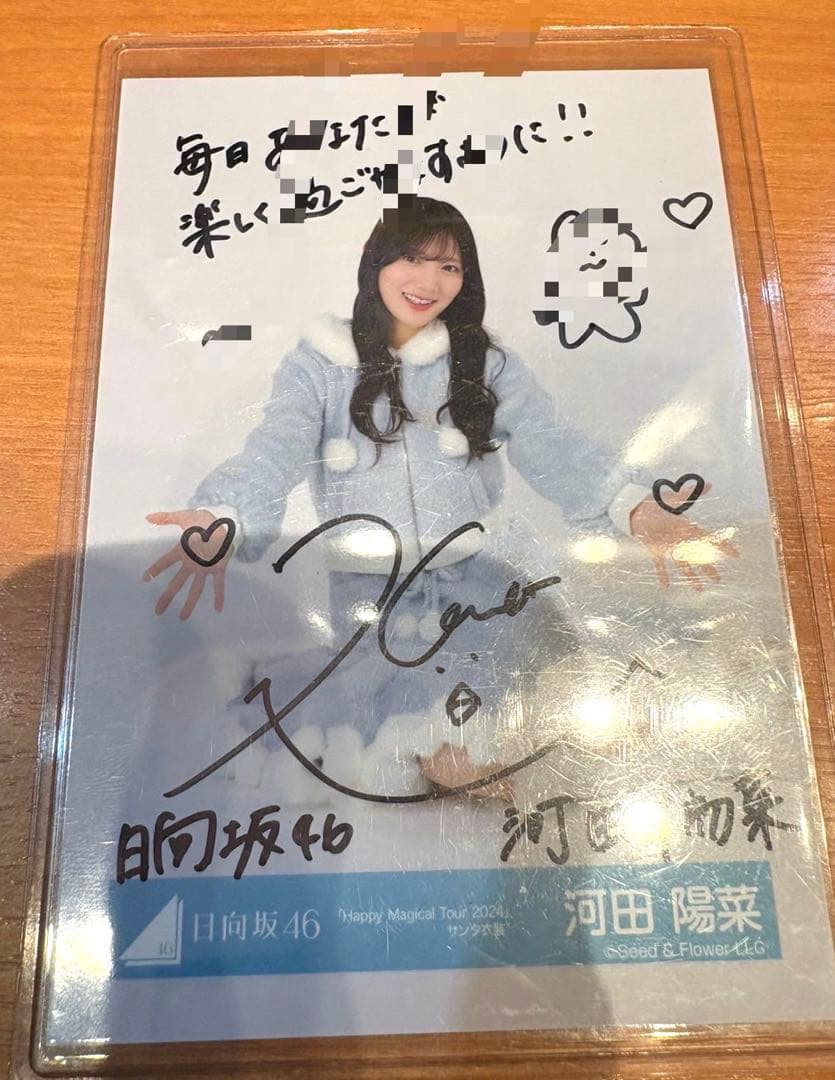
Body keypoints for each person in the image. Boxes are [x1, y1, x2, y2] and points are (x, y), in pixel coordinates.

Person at [144, 196, 736, 799]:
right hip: (380, 596)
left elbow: (551, 443)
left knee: (567, 721)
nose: (429, 282)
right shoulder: (320, 366)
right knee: (447, 755)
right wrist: (226, 515)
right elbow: (276, 447)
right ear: (376, 263)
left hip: (484, 583)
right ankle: (305, 692)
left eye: (448, 267)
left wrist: (634, 509)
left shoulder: (483, 363)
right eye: (412, 259)